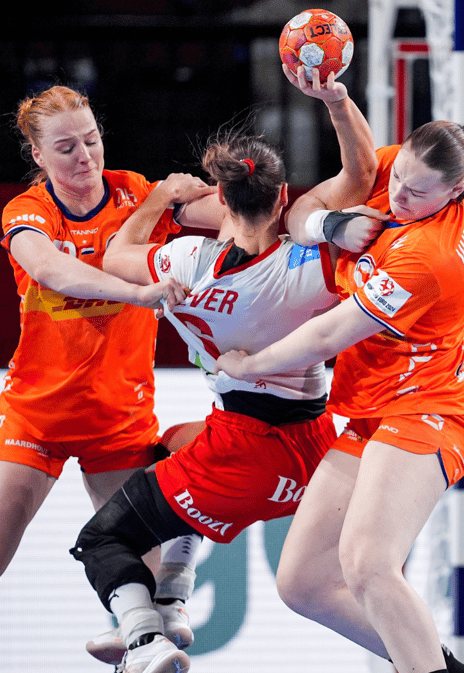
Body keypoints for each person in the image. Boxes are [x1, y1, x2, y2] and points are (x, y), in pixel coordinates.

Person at [0, 84, 220, 673]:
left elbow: (230, 215)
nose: (85, 157)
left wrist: (282, 210)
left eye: (91, 140)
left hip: (117, 422)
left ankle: (152, 619)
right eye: (65, 148)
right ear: (37, 155)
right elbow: (53, 269)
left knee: (142, 621)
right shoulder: (28, 212)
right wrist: (138, 292)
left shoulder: (136, 194)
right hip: (34, 419)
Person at [68, 98, 386, 673]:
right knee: (171, 443)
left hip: (244, 451)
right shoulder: (310, 267)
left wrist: (162, 199)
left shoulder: (187, 263)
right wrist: (335, 97)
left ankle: (143, 641)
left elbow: (115, 256)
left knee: (101, 541)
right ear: (282, 198)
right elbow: (361, 175)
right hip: (314, 448)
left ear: (221, 198)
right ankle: (172, 599)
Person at [212, 63, 464, 673]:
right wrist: (330, 223)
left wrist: (251, 366)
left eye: (417, 191)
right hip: (373, 409)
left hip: (429, 412)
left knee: (370, 564)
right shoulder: (401, 167)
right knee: (302, 582)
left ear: (455, 193)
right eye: (398, 177)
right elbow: (302, 212)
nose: (397, 195)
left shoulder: (430, 258)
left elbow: (330, 332)